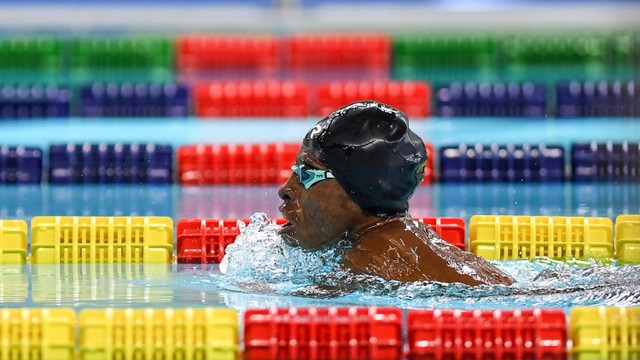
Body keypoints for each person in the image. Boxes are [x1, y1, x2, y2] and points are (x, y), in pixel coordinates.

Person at [278, 100, 514, 286]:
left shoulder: (365, 263)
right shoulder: (416, 237)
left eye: (308, 175)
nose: (285, 190)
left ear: (358, 190)